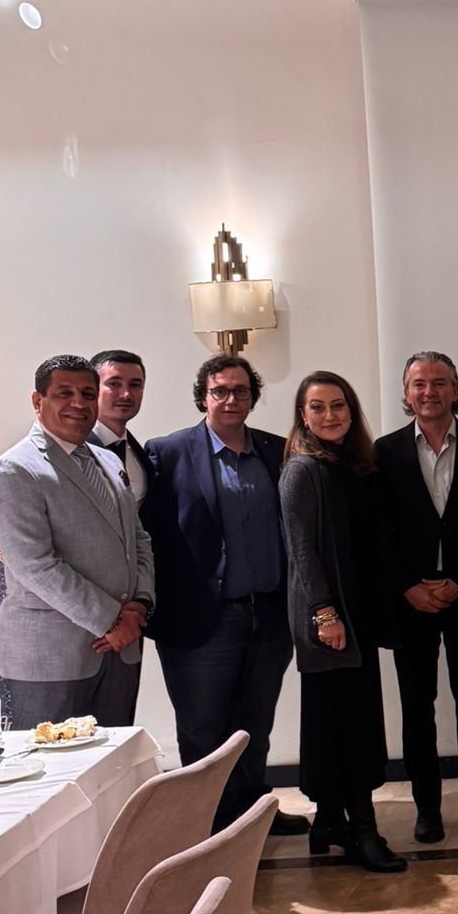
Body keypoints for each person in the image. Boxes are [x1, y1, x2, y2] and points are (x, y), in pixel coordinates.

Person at [145, 354, 306, 835]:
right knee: (203, 729)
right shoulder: (167, 452)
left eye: (240, 391)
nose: (231, 399)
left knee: (255, 724)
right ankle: (209, 826)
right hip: (202, 618)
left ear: (253, 397)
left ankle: (252, 816)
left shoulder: (278, 451)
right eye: (220, 391)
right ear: (203, 397)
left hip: (270, 615)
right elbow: (147, 534)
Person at [280, 370, 405, 873]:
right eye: (318, 407)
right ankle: (363, 832)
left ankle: (329, 820)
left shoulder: (355, 466)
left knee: (339, 721)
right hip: (329, 620)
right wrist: (324, 614)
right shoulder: (302, 470)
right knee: (350, 726)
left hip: (359, 616)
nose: (330, 415)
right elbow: (301, 551)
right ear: (303, 415)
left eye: (338, 405)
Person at [0, 355, 154, 729]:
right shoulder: (15, 468)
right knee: (52, 762)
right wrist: (111, 619)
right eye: (64, 393)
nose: (78, 403)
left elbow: (138, 539)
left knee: (113, 759)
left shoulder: (109, 461)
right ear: (38, 401)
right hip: (51, 655)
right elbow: (35, 565)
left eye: (87, 394)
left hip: (122, 647)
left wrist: (140, 604)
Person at [376, 350, 458, 845]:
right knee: (416, 704)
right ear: (406, 393)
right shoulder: (383, 452)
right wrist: (408, 585)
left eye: (439, 382)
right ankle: (426, 805)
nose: (430, 391)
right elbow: (378, 531)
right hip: (411, 598)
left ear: (455, 389)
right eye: (419, 383)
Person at [90, 349, 152, 504]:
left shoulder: (141, 456)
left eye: (135, 385)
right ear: (92, 389)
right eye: (114, 384)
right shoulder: (75, 450)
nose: (126, 394)